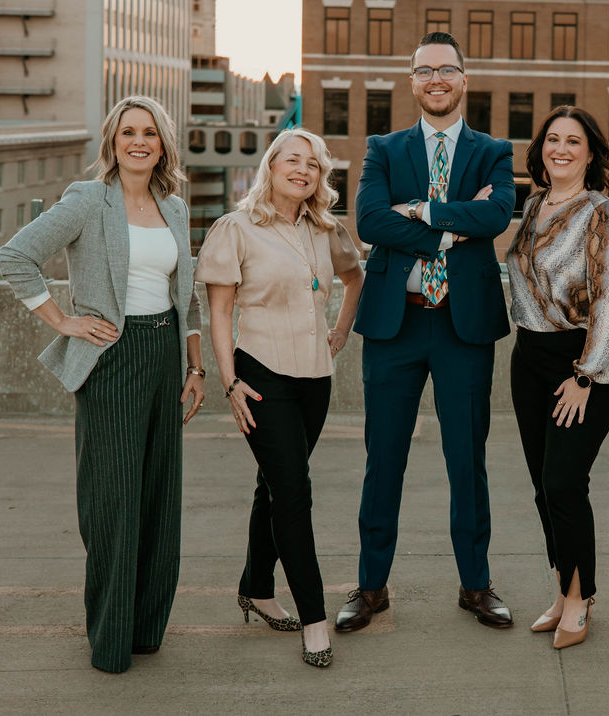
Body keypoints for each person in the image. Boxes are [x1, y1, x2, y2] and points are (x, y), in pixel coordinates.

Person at [0, 96, 204, 673]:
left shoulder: (175, 207)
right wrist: (63, 320)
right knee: (112, 503)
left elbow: (184, 294)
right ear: (112, 142)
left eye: (151, 133)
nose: (139, 142)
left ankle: (145, 630)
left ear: (163, 144)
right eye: (128, 132)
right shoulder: (89, 200)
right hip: (110, 358)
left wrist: (195, 367)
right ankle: (110, 640)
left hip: (165, 355)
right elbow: (15, 257)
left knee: (160, 499)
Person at [334, 31, 515, 633]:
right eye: (423, 71)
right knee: (382, 460)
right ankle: (371, 586)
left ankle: (476, 584)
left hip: (464, 329)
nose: (435, 80)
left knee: (468, 461)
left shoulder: (493, 151)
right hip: (396, 325)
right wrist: (447, 232)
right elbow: (367, 220)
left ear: (465, 79)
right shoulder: (384, 148)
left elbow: (496, 215)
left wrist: (419, 212)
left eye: (447, 70)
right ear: (412, 81)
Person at [195, 129, 363, 668]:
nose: (303, 170)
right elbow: (220, 312)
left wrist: (340, 332)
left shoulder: (324, 229)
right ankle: (314, 620)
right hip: (260, 374)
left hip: (315, 379)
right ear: (271, 166)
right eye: (292, 160)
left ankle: (256, 587)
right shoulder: (236, 229)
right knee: (294, 494)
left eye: (312, 165)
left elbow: (354, 277)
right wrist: (229, 381)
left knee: (274, 486)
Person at [506, 106, 609, 650]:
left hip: (583, 362)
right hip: (528, 357)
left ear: (590, 152)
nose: (561, 148)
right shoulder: (534, 206)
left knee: (563, 481)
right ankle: (564, 589)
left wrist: (586, 374)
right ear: (540, 151)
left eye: (573, 141)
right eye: (552, 139)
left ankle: (582, 599)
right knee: (542, 486)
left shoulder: (604, 213)